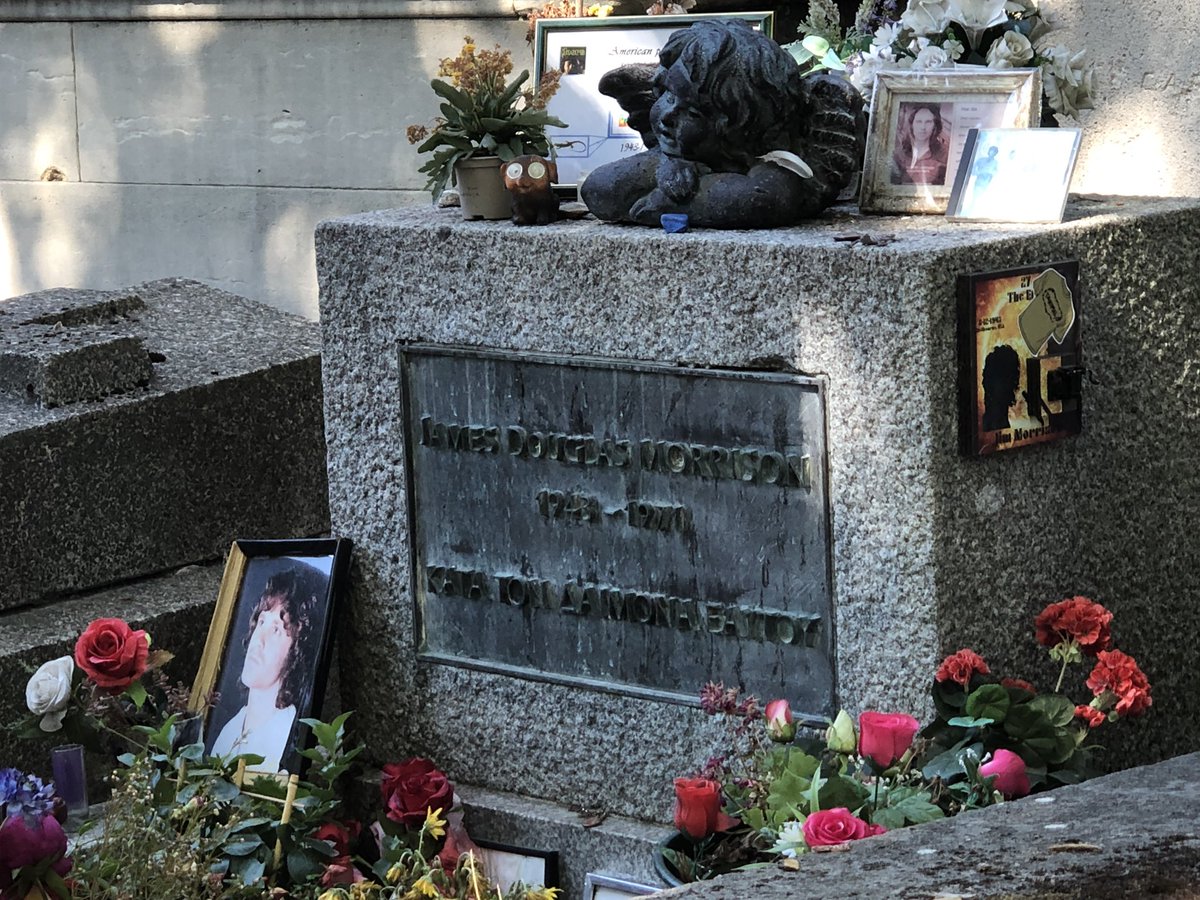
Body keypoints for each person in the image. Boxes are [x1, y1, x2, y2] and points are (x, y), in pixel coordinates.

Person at [580, 19, 864, 228]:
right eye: (667, 94)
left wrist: (672, 204)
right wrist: (671, 162)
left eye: (692, 111)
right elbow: (599, 190)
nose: (667, 113)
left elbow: (764, 202)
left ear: (740, 127)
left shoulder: (778, 167)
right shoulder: (683, 144)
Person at [209, 566, 325, 773]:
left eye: (276, 630)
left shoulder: (287, 733)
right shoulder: (230, 731)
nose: (259, 640)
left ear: (295, 652)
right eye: (261, 622)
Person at [889, 103, 949, 186]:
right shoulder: (899, 154)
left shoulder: (945, 154)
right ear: (912, 124)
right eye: (918, 121)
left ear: (935, 126)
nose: (923, 127)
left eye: (928, 122)